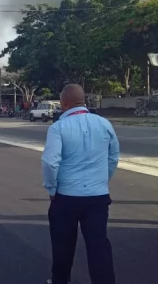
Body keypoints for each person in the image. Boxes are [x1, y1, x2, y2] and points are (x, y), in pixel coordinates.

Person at [41, 84, 120, 284]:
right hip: (97, 197)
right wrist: (103, 181)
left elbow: (50, 162)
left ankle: (60, 280)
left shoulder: (58, 127)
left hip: (65, 197)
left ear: (64, 103)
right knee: (99, 245)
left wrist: (51, 189)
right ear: (83, 101)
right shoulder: (104, 124)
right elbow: (113, 157)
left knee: (63, 245)